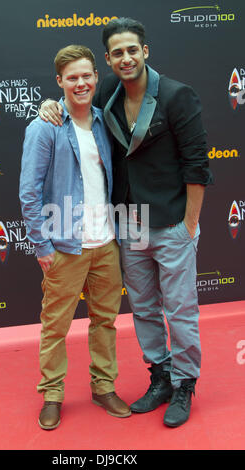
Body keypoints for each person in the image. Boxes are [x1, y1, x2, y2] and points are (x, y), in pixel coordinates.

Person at [39, 18, 213, 428]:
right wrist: (50, 106)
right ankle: (162, 377)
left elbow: (198, 166)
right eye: (117, 52)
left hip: (171, 223)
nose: (126, 57)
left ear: (145, 51)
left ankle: (186, 383)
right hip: (129, 225)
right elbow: (73, 98)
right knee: (145, 311)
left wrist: (189, 226)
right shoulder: (106, 92)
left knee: (181, 310)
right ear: (109, 60)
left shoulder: (176, 95)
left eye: (132, 49)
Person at [19, 44, 131, 430]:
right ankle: (52, 393)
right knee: (55, 325)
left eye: (87, 75)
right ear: (60, 82)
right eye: (72, 77)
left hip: (106, 244)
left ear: (96, 78)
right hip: (65, 246)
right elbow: (29, 192)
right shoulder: (45, 126)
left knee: (106, 321)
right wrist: (41, 244)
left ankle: (103, 386)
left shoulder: (104, 121)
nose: (80, 83)